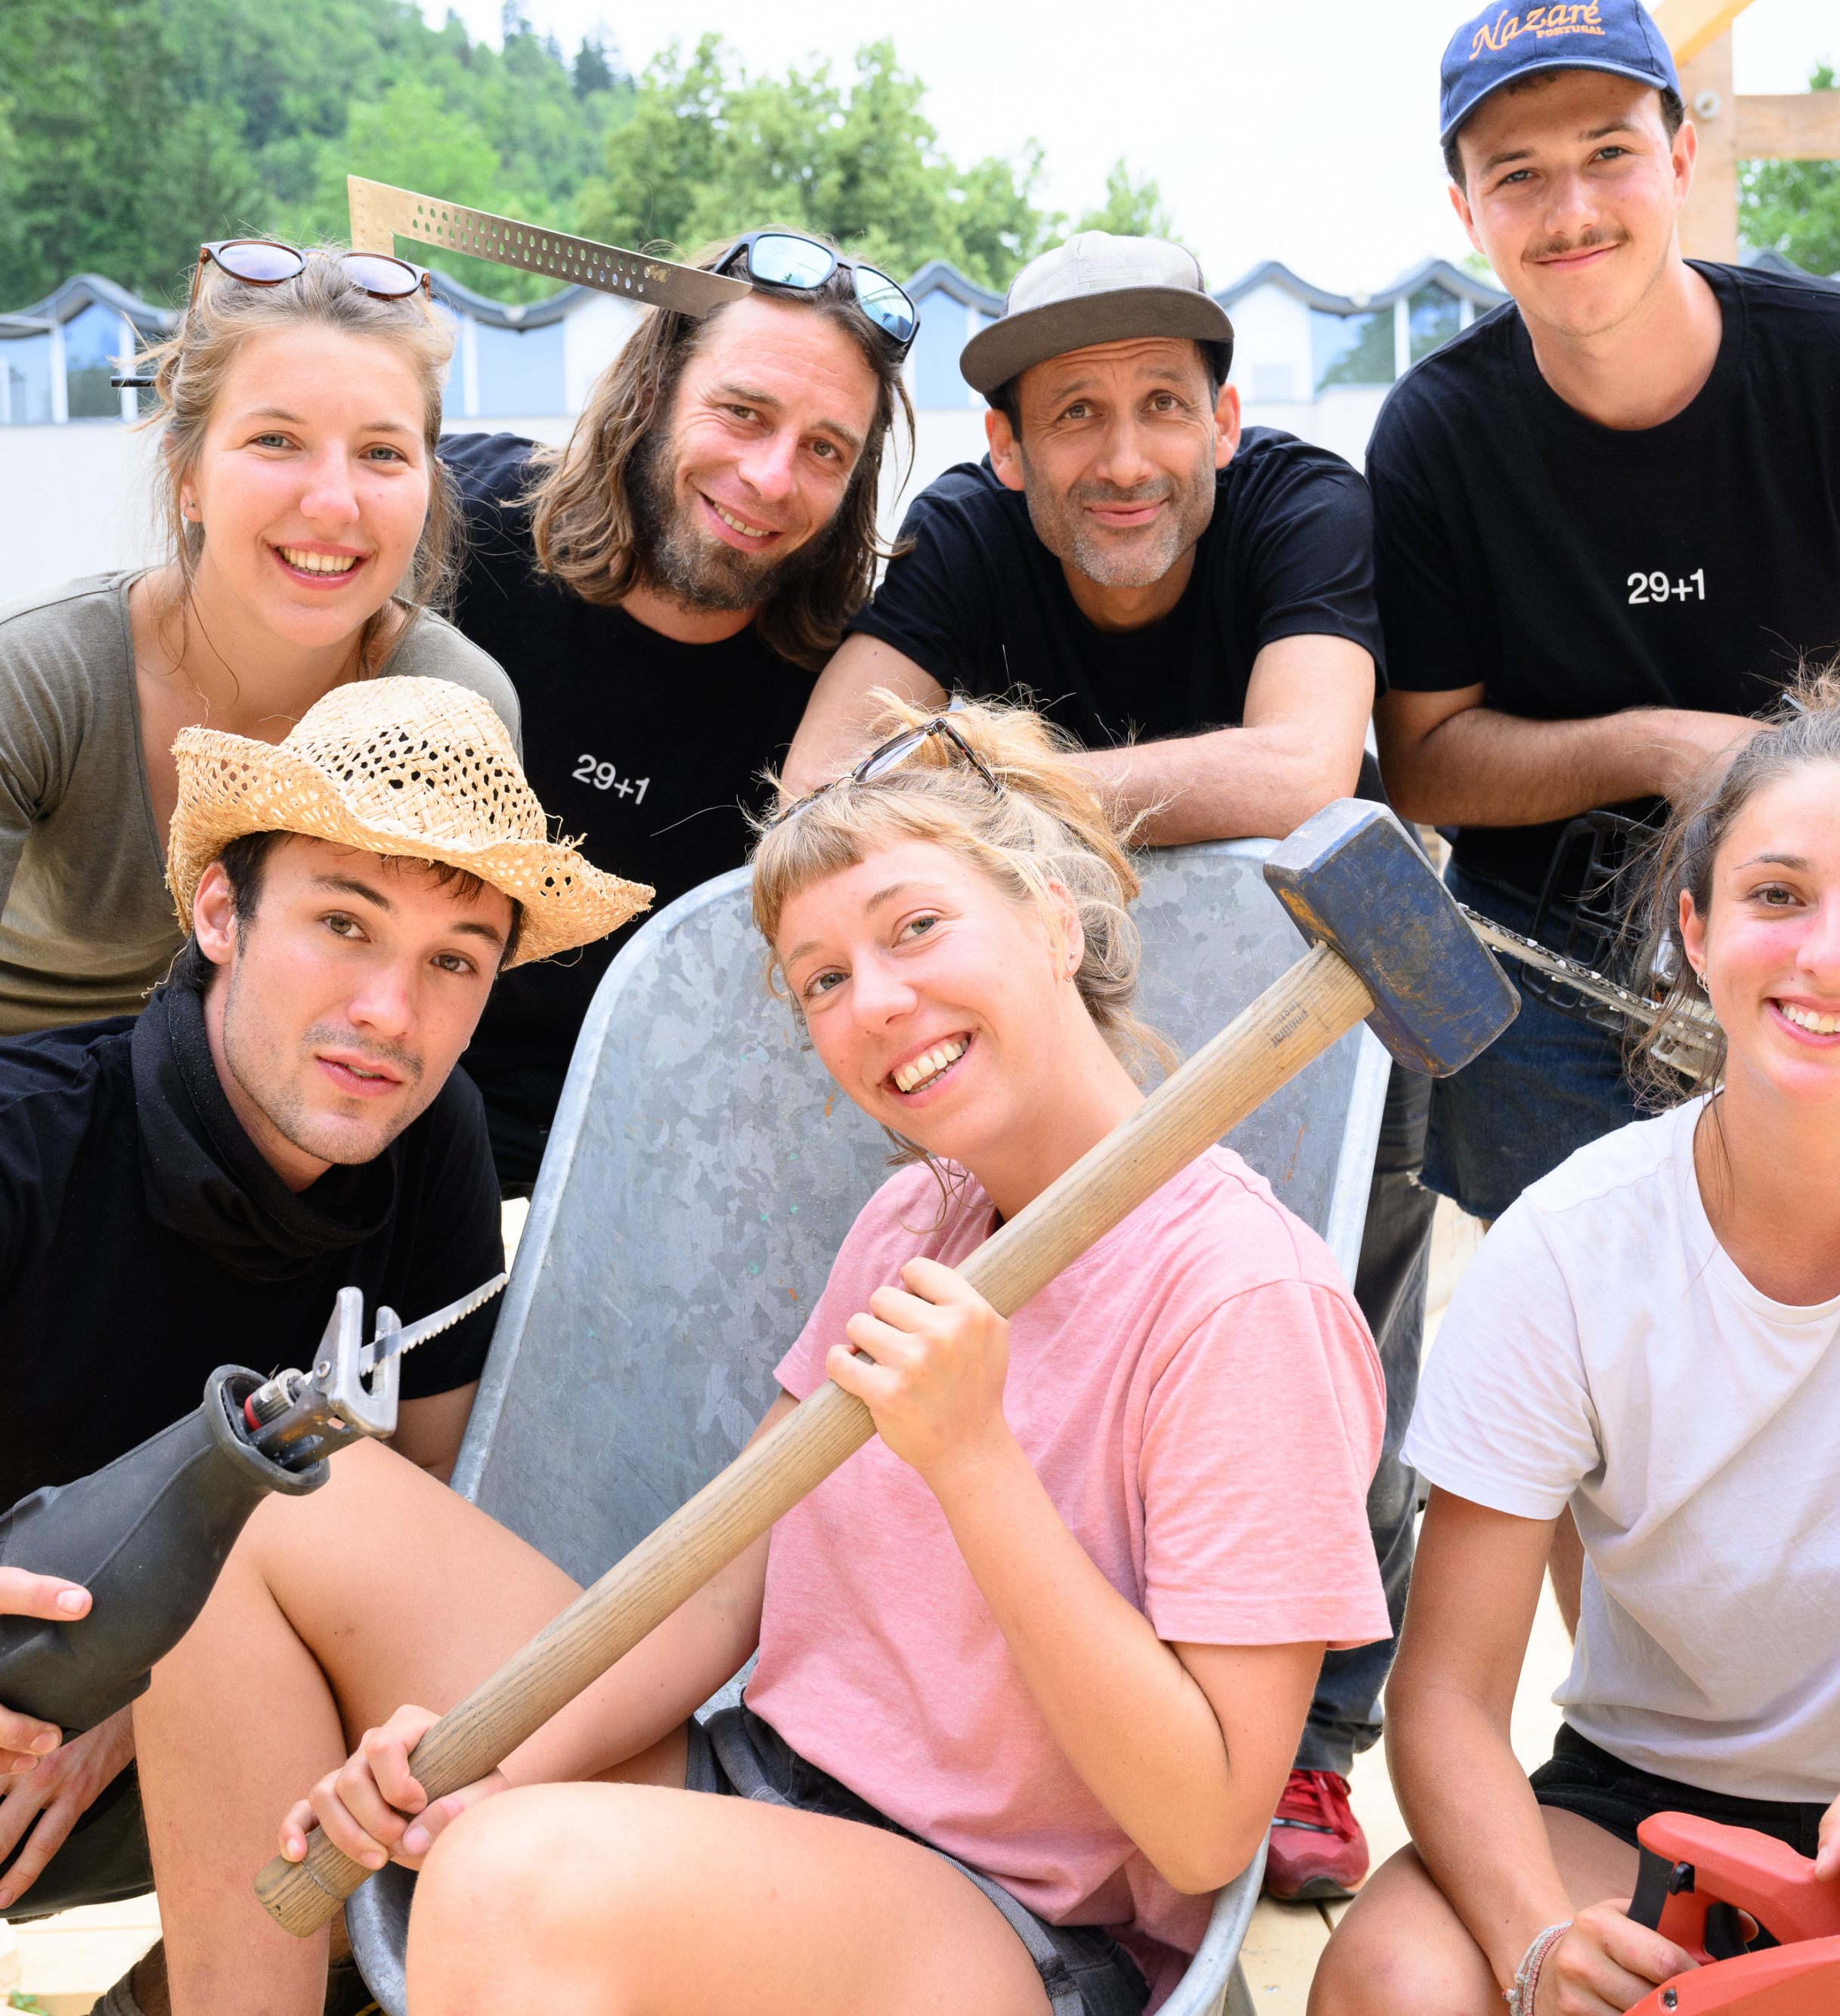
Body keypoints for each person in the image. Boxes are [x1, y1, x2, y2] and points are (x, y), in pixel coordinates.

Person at [132, 698, 1389, 2016]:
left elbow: (1203, 1831)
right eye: (823, 978)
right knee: (247, 1509)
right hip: (758, 1784)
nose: (880, 1003)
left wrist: (975, 1463)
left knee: (509, 1885)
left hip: (1000, 1923)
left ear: (1054, 921)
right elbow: (718, 1584)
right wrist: (489, 1757)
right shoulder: (919, 1218)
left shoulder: (1241, 1297)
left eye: (914, 926)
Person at [782, 233, 1406, 1900]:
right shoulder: (965, 540)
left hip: (1287, 991)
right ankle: (945, 1706)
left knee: (1338, 1291)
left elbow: (1302, 763)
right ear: (1004, 449)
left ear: (1221, 420)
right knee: (1028, 1357)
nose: (1120, 455)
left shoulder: (1301, 504)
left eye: (1156, 406)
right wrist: (978, 859)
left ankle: (1304, 1732)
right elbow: (818, 785)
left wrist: (988, 810)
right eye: (1071, 415)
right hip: (1027, 1001)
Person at [1314, 667, 1840, 2016]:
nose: (1825, 954)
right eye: (1773, 895)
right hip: (1645, 1802)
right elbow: (1448, 1701)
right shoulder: (1567, 1250)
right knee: (1393, 1982)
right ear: (1692, 930)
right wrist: (1536, 1944)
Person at [0, 677, 646, 1952]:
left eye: (453, 960)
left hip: (187, 1732)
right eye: (345, 924)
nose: (388, 1015)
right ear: (219, 911)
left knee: (477, 1789)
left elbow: (416, 1484)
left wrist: (142, 1711)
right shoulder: (29, 1144)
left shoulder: (430, 1136)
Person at [1370, 0, 1840, 1236]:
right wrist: (1665, 748)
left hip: (1832, 922)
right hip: (1549, 972)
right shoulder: (1433, 436)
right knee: (1599, 1354)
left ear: (1677, 159)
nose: (1569, 211)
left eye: (1608, 153)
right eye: (1516, 175)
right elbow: (1422, 762)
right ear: (1465, 212)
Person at [440, 227, 915, 1192]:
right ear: (654, 390)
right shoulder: (457, 523)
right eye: (742, 413)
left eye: (825, 449)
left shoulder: (850, 684)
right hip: (374, 1109)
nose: (773, 479)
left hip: (642, 1174)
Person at [0, 239, 520, 1038]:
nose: (333, 503)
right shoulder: (37, 678)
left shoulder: (452, 705)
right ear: (188, 472)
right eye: (276, 440)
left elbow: (413, 1017)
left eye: (382, 452)